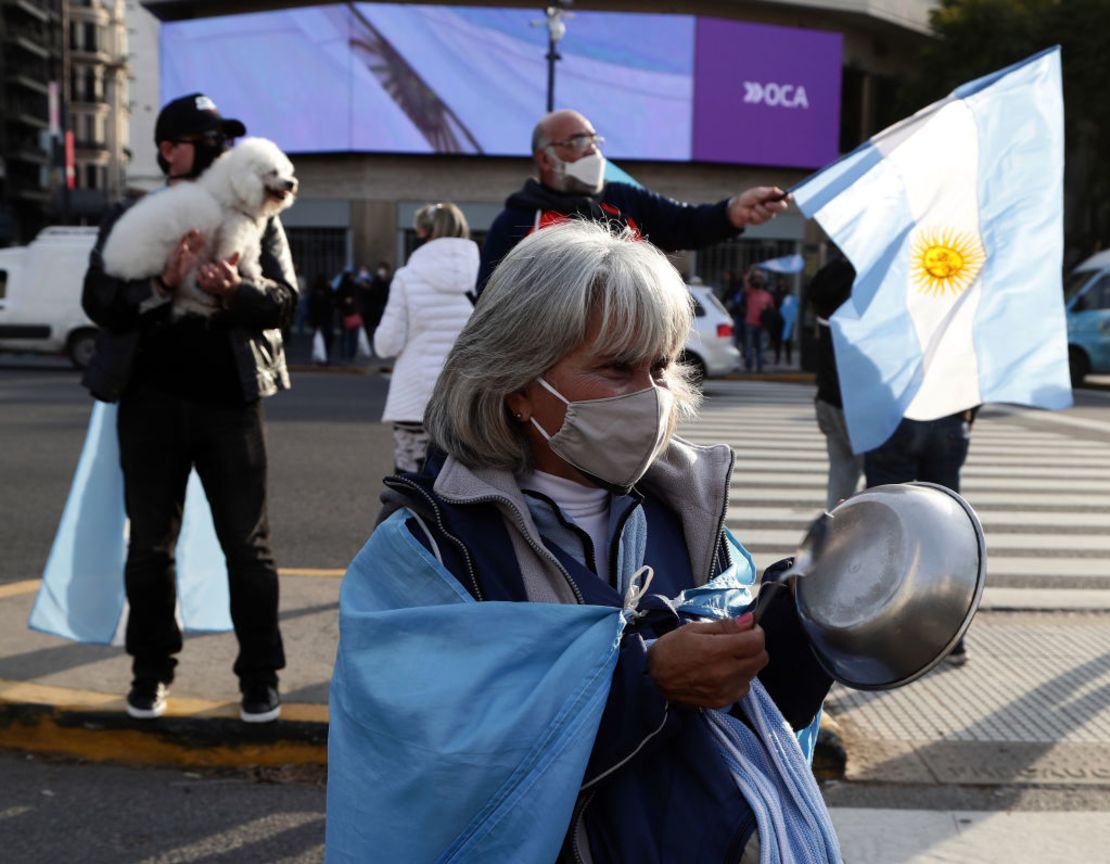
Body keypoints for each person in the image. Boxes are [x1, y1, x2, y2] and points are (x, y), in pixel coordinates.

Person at [328, 222, 839, 863]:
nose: (649, 396)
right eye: (616, 368)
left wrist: (803, 625)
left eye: (659, 365)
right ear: (517, 384)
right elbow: (430, 761)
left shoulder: (692, 518)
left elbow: (762, 723)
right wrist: (645, 681)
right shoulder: (425, 551)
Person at [80, 93, 295, 723]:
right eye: (202, 139)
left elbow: (286, 302)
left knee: (247, 548)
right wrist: (162, 286)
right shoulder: (135, 212)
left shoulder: (258, 214)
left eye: (220, 141)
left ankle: (260, 677)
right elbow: (101, 301)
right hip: (148, 405)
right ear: (168, 149)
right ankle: (150, 674)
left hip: (231, 405)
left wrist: (237, 291)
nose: (215, 150)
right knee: (150, 549)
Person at [475, 109, 789, 295]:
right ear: (545, 158)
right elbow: (488, 306)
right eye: (579, 142)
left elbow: (685, 223)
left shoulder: (624, 198)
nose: (592, 152)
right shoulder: (516, 223)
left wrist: (733, 212)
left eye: (594, 141)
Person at [865, 406, 978, 666]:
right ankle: (952, 639)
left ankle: (879, 634)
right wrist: (970, 414)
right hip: (951, 420)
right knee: (946, 527)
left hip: (894, 419)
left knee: (887, 529)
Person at [373, 202, 477, 473]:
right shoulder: (483, 274)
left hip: (414, 400)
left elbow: (387, 344)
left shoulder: (407, 277)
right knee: (458, 486)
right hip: (463, 400)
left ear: (422, 232)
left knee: (410, 486)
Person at [807, 250, 863, 509]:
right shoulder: (862, 288)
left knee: (840, 476)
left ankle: (835, 533)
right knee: (881, 482)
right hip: (857, 402)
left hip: (827, 398)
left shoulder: (826, 287)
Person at [743, 267, 775, 372]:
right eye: (756, 278)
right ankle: (748, 367)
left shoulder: (767, 295)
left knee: (760, 348)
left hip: (762, 324)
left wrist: (767, 308)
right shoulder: (750, 292)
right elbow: (745, 281)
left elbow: (772, 308)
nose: (757, 280)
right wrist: (752, 271)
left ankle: (759, 368)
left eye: (759, 278)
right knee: (749, 347)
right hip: (750, 323)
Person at [306, 273, 335, 364]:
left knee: (326, 338)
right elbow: (315, 308)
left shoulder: (325, 291)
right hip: (321, 320)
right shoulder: (317, 293)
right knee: (325, 339)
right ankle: (322, 356)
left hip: (324, 320)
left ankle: (323, 356)